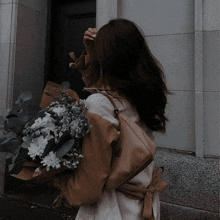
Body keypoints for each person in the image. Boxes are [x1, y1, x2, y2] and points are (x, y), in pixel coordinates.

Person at [53, 18, 169, 220]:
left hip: (112, 210)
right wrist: (91, 51)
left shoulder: (100, 104)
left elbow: (87, 186)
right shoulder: (145, 95)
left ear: (106, 60)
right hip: (142, 206)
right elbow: (104, 87)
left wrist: (57, 176)